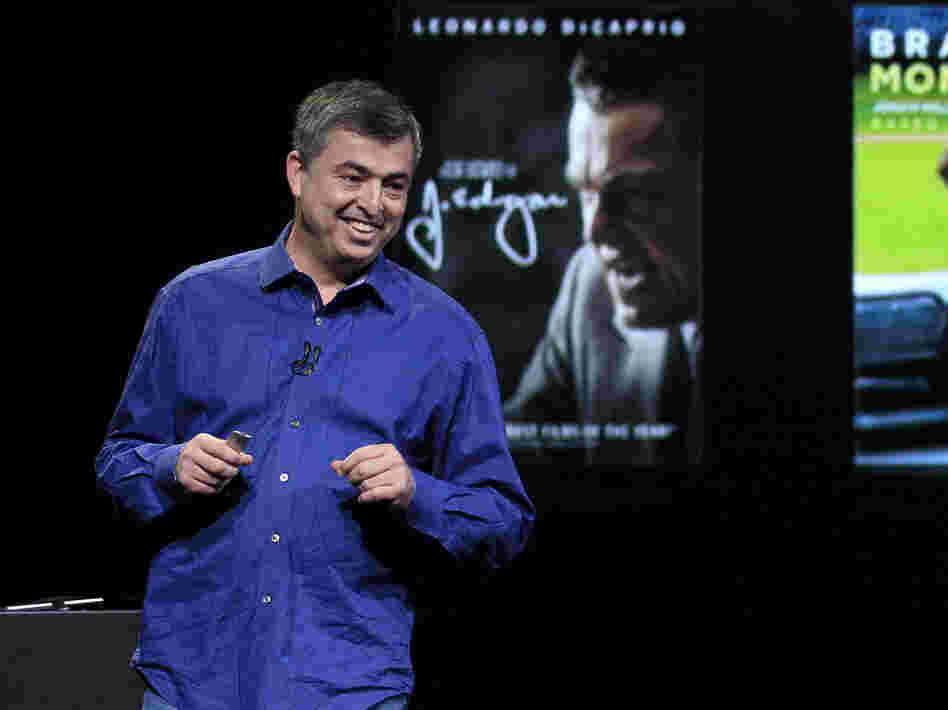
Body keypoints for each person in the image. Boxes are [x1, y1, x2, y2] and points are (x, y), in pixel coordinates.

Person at [96, 79, 535, 710]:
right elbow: (115, 463)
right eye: (352, 177)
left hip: (350, 686)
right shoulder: (193, 303)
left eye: (394, 184)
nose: (374, 203)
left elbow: (505, 522)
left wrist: (417, 492)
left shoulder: (447, 336)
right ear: (298, 173)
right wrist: (170, 465)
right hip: (194, 681)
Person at [503, 45, 704, 465]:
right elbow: (507, 452)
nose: (593, 232)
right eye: (586, 194)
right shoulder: (589, 284)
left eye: (635, 197)